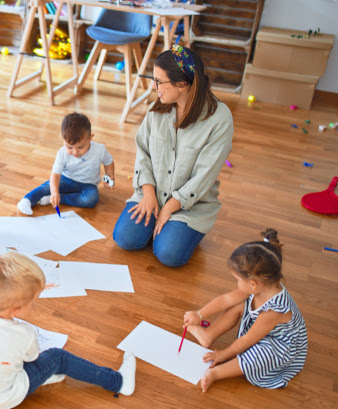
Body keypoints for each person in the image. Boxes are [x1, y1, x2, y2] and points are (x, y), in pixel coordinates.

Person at [0, 253, 136, 409]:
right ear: (16, 310)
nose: (35, 306)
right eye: (34, 301)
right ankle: (119, 382)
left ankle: (41, 376)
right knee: (58, 357)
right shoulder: (25, 333)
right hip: (4, 398)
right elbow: (30, 359)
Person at [113, 45, 234, 267]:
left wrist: (168, 208)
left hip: (191, 204)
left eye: (159, 81)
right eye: (153, 79)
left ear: (182, 83)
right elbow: (143, 153)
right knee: (125, 239)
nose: (153, 86)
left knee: (170, 255)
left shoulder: (220, 120)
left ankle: (174, 231)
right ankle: (161, 229)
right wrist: (149, 194)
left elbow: (204, 176)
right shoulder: (157, 109)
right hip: (153, 193)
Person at [184, 229, 307, 392]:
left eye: (236, 279)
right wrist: (199, 314)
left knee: (260, 353)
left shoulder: (274, 311)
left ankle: (216, 373)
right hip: (261, 331)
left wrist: (223, 355)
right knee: (238, 304)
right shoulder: (260, 284)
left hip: (279, 346)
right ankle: (208, 335)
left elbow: (247, 340)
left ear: (253, 283)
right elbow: (225, 300)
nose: (236, 283)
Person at [17, 112, 115, 216]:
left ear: (90, 138)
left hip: (88, 184)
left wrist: (110, 176)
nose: (75, 152)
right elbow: (55, 175)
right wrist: (54, 192)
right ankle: (27, 200)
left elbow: (108, 161)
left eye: (80, 147)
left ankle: (61, 198)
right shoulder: (62, 153)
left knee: (92, 199)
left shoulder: (99, 150)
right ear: (62, 138)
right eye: (69, 147)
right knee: (47, 187)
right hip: (66, 179)